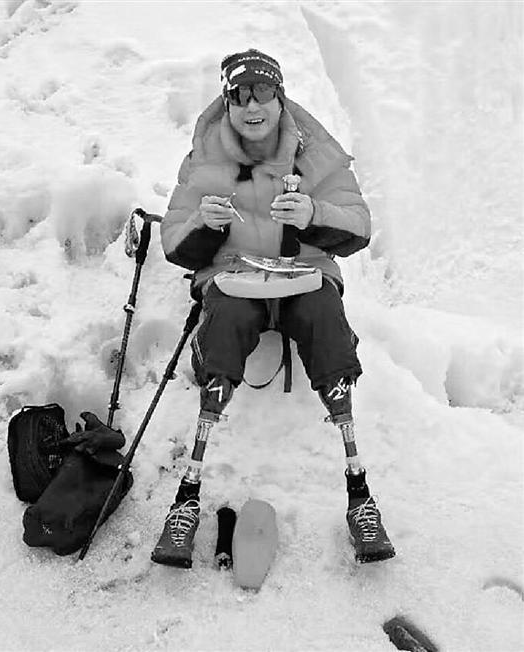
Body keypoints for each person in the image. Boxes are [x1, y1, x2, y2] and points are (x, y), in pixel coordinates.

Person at [152, 49, 395, 568]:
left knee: (324, 319)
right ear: (227, 101)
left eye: (263, 92)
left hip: (304, 274)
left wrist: (312, 214)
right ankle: (186, 496)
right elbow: (174, 241)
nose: (251, 105)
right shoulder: (204, 159)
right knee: (225, 325)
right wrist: (204, 224)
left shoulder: (315, 154)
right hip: (234, 277)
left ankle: (360, 493)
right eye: (239, 95)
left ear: (280, 97)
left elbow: (358, 225)